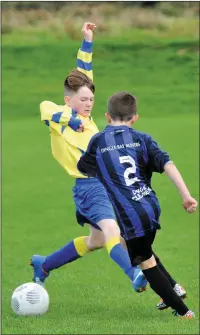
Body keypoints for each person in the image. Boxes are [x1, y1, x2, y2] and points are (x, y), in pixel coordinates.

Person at [30, 22, 146, 292]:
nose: (89, 103)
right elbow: (44, 108)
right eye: (83, 100)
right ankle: (135, 275)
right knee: (112, 232)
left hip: (107, 184)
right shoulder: (61, 115)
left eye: (91, 99)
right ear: (69, 100)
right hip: (89, 187)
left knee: (95, 240)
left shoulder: (88, 116)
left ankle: (44, 264)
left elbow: (84, 74)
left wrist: (87, 41)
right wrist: (69, 121)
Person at [77, 91, 198, 318]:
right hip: (150, 206)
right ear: (135, 118)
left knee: (145, 263)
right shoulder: (142, 138)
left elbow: (83, 168)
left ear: (106, 115)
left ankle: (184, 312)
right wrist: (186, 196)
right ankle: (174, 287)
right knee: (132, 243)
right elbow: (168, 164)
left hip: (131, 215)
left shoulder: (99, 141)